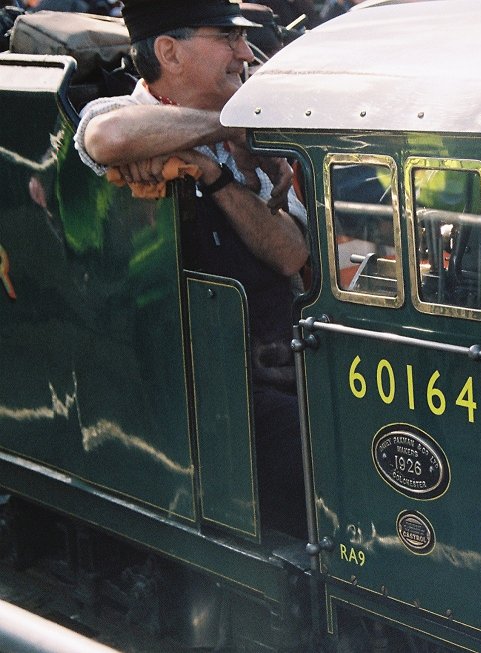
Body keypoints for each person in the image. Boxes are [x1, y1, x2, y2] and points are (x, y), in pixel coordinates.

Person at [74, 0, 309, 537]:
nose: (245, 54)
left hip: (275, 368)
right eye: (227, 37)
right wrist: (227, 129)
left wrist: (214, 174)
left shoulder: (241, 132)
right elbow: (108, 140)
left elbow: (292, 255)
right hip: (196, 399)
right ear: (168, 52)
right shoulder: (115, 115)